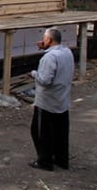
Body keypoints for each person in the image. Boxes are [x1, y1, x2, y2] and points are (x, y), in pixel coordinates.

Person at [28, 27, 75, 171]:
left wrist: (34, 74)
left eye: (44, 38)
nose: (42, 40)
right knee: (60, 132)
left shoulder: (49, 57)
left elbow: (45, 80)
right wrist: (45, 49)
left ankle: (45, 161)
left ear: (49, 40)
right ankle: (61, 159)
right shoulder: (67, 52)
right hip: (62, 99)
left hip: (47, 102)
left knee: (40, 132)